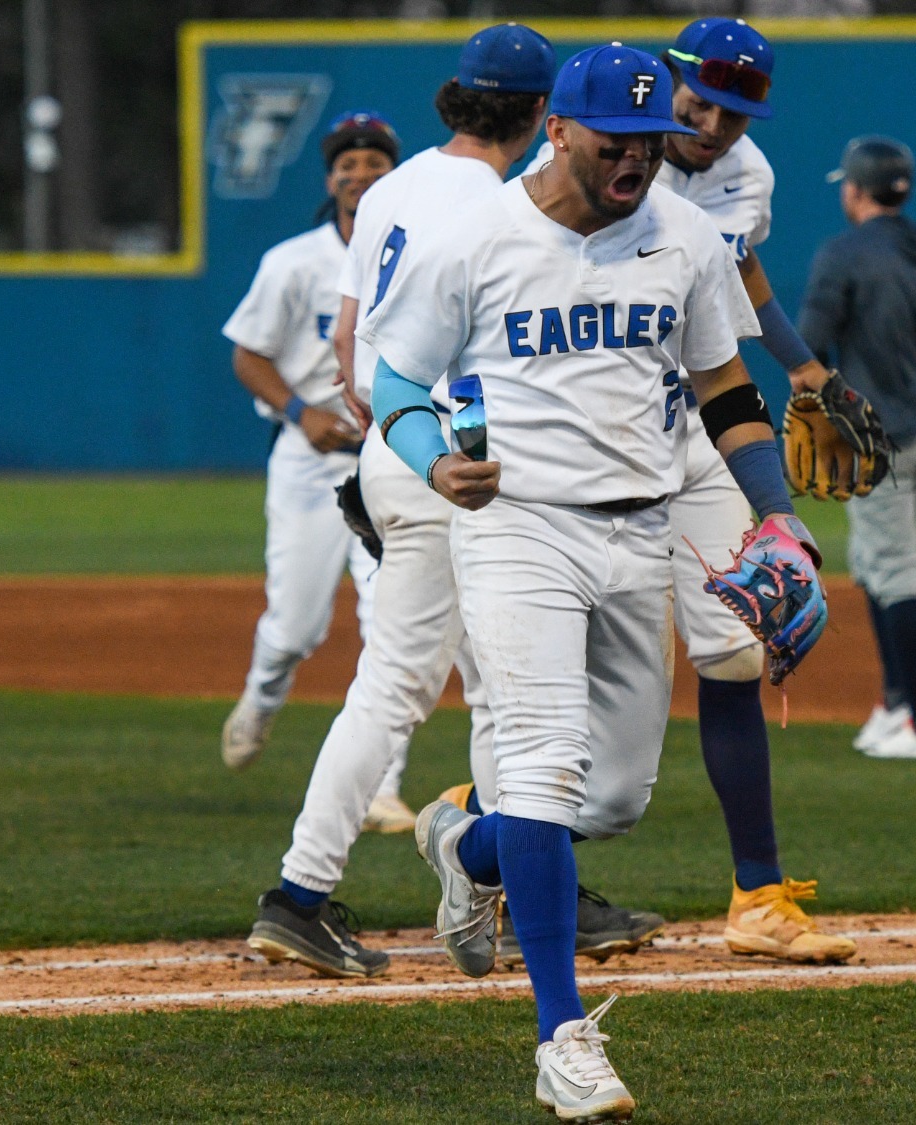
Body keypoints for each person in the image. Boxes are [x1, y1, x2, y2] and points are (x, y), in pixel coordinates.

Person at [363, 45, 826, 1119]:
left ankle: (464, 843)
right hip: (515, 527)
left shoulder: (685, 237)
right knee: (541, 768)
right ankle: (561, 1038)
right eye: (615, 141)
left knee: (610, 799)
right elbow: (395, 377)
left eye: (650, 141)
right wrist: (432, 459)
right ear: (559, 130)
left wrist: (777, 513)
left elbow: (723, 385)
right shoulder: (475, 238)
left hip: (641, 529)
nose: (638, 159)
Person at [244, 25, 661, 982]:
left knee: (495, 691)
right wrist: (440, 454)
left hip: (401, 444)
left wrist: (385, 441)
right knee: (410, 685)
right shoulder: (501, 201)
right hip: (460, 464)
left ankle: (515, 884)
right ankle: (300, 894)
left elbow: (352, 342)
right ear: (544, 115)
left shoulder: (392, 187)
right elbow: (484, 360)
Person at [218, 113, 409, 829]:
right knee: (295, 626)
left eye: (374, 162)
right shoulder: (294, 262)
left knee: (391, 621)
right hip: (309, 459)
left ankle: (382, 787)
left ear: (394, 176)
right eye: (347, 164)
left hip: (391, 457)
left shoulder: (419, 252)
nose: (360, 173)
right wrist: (300, 413)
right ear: (330, 180)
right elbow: (248, 354)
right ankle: (262, 696)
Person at [800, 134, 916, 760]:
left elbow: (809, 344)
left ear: (854, 191)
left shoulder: (843, 253)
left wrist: (827, 406)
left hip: (881, 438)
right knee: (875, 560)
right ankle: (895, 703)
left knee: (893, 570)